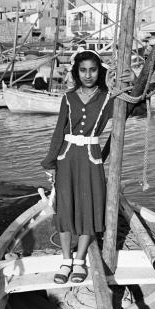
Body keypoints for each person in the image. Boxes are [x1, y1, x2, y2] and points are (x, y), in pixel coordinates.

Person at [41, 50, 134, 284]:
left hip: (91, 160)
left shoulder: (108, 98)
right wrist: (50, 162)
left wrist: (129, 81)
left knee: (88, 208)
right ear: (77, 72)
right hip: (66, 158)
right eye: (83, 70)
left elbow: (134, 106)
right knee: (64, 210)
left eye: (93, 70)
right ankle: (65, 260)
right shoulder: (68, 98)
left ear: (99, 71)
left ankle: (80, 260)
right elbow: (58, 132)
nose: (88, 75)